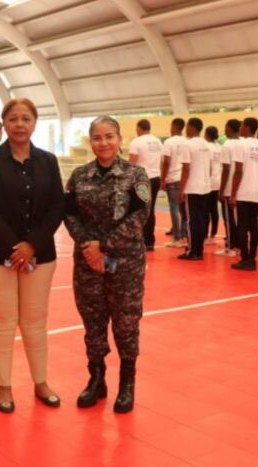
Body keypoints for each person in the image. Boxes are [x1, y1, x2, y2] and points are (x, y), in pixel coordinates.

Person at [0, 97, 64, 414]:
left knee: (35, 321)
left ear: (34, 122)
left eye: (26, 118)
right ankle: (5, 387)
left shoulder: (48, 161)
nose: (20, 124)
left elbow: (56, 207)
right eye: (13, 119)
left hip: (40, 256)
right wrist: (15, 246)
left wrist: (32, 245)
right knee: (2, 322)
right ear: (4, 124)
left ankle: (41, 382)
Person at [65, 116, 150, 414]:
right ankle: (96, 379)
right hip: (88, 264)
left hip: (125, 265)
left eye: (109, 136)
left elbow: (139, 218)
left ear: (119, 139)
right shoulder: (79, 176)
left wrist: (102, 245)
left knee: (126, 324)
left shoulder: (135, 175)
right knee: (93, 323)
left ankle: (127, 384)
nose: (104, 143)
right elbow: (70, 213)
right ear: (91, 141)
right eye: (97, 137)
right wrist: (88, 245)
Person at [229, 117, 258, 271]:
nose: (240, 128)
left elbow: (238, 171)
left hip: (243, 192)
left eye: (242, 125)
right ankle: (252, 258)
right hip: (256, 192)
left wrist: (233, 193)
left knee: (242, 227)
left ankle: (245, 258)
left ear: (247, 127)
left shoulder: (241, 145)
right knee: (254, 227)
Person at [177, 117, 211, 260]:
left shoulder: (188, 144)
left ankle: (192, 251)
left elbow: (186, 168)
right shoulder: (206, 144)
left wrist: (181, 189)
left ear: (191, 127)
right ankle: (199, 249)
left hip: (192, 187)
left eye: (187, 126)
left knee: (191, 221)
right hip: (205, 186)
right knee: (202, 219)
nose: (185, 129)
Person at [128, 119, 163, 251]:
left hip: (142, 180)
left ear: (139, 128)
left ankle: (141, 240)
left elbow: (132, 163)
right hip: (156, 178)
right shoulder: (158, 141)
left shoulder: (136, 142)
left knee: (141, 210)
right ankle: (149, 241)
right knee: (151, 210)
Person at [215, 119, 242, 258]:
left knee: (229, 219)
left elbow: (226, 169)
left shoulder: (227, 145)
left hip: (229, 187)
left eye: (225, 127)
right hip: (241, 188)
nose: (224, 129)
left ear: (231, 129)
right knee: (240, 220)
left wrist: (222, 190)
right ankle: (240, 246)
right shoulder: (244, 143)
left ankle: (231, 246)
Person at [161, 118, 187, 247]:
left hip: (172, 178)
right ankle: (183, 237)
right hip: (184, 178)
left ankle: (177, 238)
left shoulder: (169, 142)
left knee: (174, 209)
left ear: (174, 127)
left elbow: (166, 161)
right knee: (183, 210)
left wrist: (162, 179)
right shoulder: (187, 142)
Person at [204, 126, 222, 243]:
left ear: (207, 135)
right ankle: (213, 233)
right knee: (214, 209)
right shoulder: (219, 147)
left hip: (209, 181)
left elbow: (208, 165)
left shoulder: (207, 147)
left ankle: (205, 234)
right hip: (218, 180)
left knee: (206, 210)